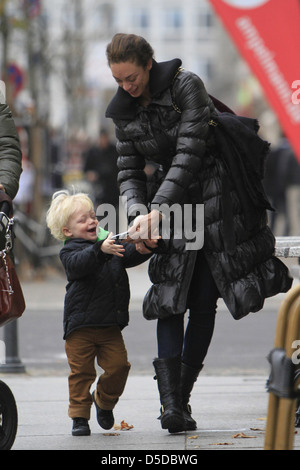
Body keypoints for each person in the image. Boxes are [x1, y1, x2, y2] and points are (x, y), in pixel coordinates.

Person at [105, 33, 292, 434]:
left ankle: (181, 397)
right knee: (170, 296)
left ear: (148, 64)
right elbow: (129, 171)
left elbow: (189, 153)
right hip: (169, 205)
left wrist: (156, 211)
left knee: (204, 299)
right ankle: (171, 404)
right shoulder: (122, 111)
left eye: (131, 77)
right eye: (118, 80)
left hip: (216, 197)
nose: (126, 87)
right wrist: (139, 214)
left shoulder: (186, 86)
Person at [46, 190, 155, 436]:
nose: (92, 221)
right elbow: (78, 265)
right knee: (81, 373)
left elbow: (126, 254)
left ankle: (103, 401)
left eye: (93, 216)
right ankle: (79, 417)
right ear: (67, 231)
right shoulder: (69, 251)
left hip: (109, 325)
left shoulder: (107, 243)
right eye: (83, 220)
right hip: (80, 327)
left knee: (119, 367)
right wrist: (100, 250)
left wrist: (145, 248)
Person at [83, 128, 119, 208]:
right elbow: (86, 169)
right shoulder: (93, 151)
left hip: (112, 189)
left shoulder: (114, 151)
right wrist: (90, 175)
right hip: (98, 188)